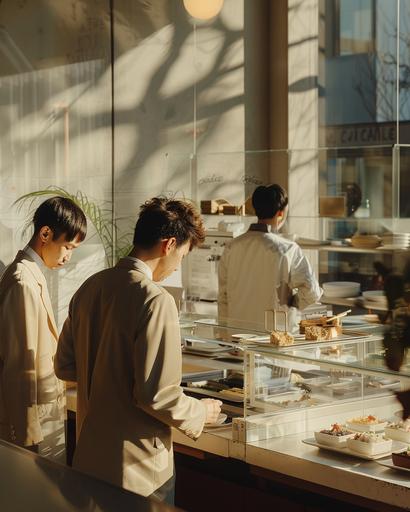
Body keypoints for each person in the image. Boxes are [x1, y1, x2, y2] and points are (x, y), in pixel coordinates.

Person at [54, 197, 221, 503]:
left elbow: (65, 366)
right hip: (138, 470)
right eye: (182, 256)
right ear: (169, 245)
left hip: (89, 455)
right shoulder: (156, 300)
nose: (177, 266)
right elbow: (156, 395)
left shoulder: (90, 287)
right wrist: (201, 411)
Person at [0, 196, 87, 460]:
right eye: (67, 247)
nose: (68, 257)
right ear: (46, 233)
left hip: (43, 413)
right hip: (30, 426)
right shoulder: (22, 281)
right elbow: (20, 364)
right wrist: (25, 434)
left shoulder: (31, 275)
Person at [218, 184, 322, 333]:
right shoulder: (288, 249)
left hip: (238, 339)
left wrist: (223, 335)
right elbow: (312, 293)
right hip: (274, 338)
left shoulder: (231, 247)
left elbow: (223, 297)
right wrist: (290, 302)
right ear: (280, 213)